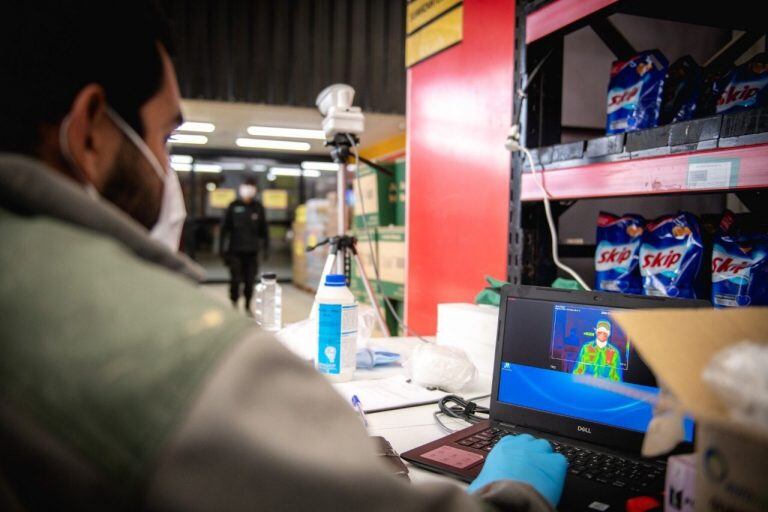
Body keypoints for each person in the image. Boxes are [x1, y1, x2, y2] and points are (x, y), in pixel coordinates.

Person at [0, 2, 566, 510]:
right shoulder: (165, 351)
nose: (165, 168)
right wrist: (517, 494)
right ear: (92, 130)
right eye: (166, 138)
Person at [220, 178, 269, 315]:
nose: (248, 190)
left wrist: (266, 249)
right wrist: (222, 250)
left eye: (251, 186)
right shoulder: (233, 206)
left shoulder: (258, 207)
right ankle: (234, 303)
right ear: (240, 188)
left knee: (249, 280)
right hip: (235, 251)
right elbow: (224, 230)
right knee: (235, 279)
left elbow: (264, 231)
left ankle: (248, 305)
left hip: (252, 252)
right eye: (246, 186)